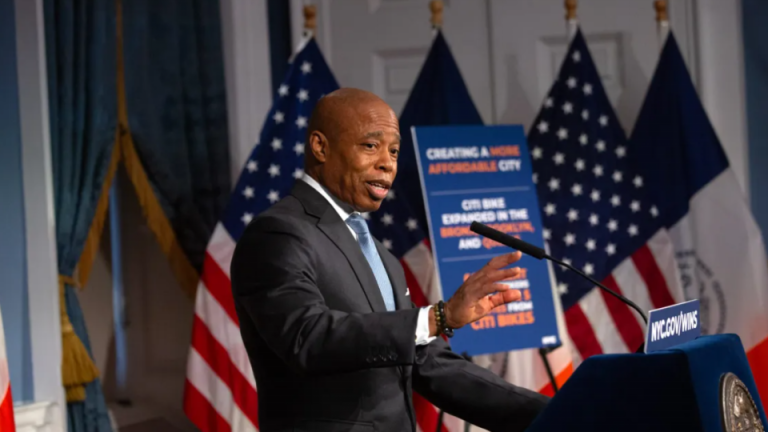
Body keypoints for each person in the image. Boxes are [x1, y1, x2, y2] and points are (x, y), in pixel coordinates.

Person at [231, 88, 549, 432]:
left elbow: (426, 365)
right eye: (371, 145)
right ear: (320, 147)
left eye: (394, 150)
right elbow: (307, 338)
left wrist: (558, 412)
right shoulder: (278, 234)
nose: (388, 163)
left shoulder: (380, 255)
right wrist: (436, 317)